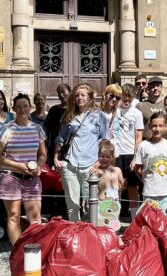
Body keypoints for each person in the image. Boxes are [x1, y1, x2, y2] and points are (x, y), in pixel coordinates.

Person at [0, 93, 47, 245]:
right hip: (11, 177)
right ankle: (18, 250)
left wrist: (40, 165)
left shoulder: (37, 129)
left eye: (25, 106)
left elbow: (43, 154)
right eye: (19, 107)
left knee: (35, 218)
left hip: (32, 178)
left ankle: (35, 252)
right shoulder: (6, 129)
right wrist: (18, 166)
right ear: (14, 109)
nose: (22, 109)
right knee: (13, 215)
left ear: (30, 108)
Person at [54, 83, 109, 221]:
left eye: (83, 95)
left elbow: (105, 141)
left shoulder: (99, 115)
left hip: (90, 166)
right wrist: (56, 158)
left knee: (92, 204)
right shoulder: (69, 115)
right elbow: (60, 139)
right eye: (77, 95)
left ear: (90, 97)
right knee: (72, 205)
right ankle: (75, 234)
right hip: (70, 164)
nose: (79, 98)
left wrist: (98, 163)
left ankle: (91, 233)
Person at [134, 112, 167, 213]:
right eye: (154, 126)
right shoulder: (143, 146)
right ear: (149, 127)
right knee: (149, 219)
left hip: (165, 193)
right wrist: (145, 179)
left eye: (160, 126)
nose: (157, 129)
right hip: (149, 192)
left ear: (164, 127)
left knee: (164, 219)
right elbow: (137, 168)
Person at [112, 83, 144, 214]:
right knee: (116, 186)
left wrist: (136, 158)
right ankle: (114, 217)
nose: (126, 100)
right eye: (124, 96)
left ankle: (133, 217)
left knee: (132, 187)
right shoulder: (114, 110)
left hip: (130, 153)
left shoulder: (137, 113)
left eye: (130, 97)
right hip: (116, 153)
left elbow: (138, 137)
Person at [44, 83, 71, 166]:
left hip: (69, 147)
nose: (61, 95)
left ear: (70, 92)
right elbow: (46, 128)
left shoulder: (74, 110)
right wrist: (45, 145)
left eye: (63, 92)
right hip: (54, 145)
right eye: (59, 93)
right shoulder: (53, 109)